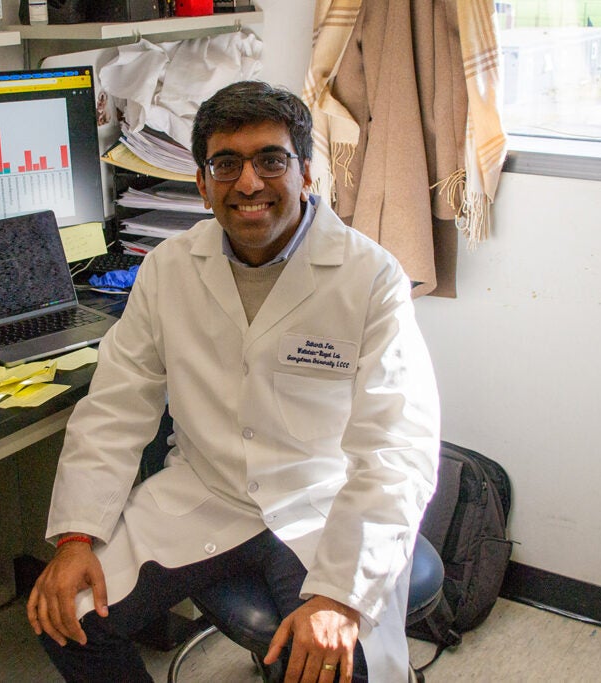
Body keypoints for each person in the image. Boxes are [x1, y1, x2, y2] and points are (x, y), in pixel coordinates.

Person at [27, 80, 440, 682]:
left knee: (329, 666)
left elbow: (397, 449)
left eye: (270, 160)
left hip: (318, 504)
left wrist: (340, 596)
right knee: (66, 615)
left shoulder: (370, 278)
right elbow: (115, 409)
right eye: (226, 164)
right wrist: (74, 541)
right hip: (204, 494)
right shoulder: (169, 268)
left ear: (304, 173)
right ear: (201, 183)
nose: (248, 183)